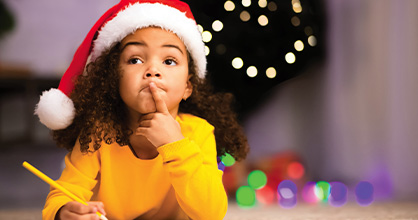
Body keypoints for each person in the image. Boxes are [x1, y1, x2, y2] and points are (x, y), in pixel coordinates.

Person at [35, 0, 249, 219]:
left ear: (187, 87)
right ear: (113, 79)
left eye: (169, 60)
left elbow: (211, 213)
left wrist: (176, 145)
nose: (152, 70)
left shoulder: (199, 132)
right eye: (135, 59)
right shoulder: (96, 134)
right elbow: (64, 194)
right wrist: (63, 212)